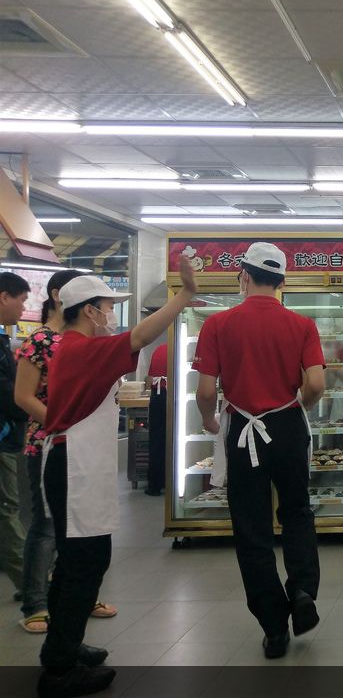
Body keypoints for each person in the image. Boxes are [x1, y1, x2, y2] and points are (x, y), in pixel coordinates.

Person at [36, 258, 196, 698]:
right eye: (107, 307)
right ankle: (60, 670)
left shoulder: (73, 347)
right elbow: (141, 336)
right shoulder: (83, 349)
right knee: (85, 563)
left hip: (73, 463)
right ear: (89, 311)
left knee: (74, 562)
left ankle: (61, 647)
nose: (111, 315)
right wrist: (184, 295)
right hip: (76, 466)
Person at [193, 242, 325, 660]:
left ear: (244, 276)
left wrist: (210, 421)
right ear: (282, 281)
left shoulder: (218, 323)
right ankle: (302, 591)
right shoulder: (301, 324)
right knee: (297, 512)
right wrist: (298, 407)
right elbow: (316, 384)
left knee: (252, 528)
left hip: (243, 429)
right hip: (287, 426)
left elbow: (206, 391)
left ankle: (274, 627)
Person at [15, 270, 118, 634]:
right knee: (47, 528)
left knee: (80, 536)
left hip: (82, 448)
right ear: (61, 295)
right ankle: (36, 603)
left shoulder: (87, 341)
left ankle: (76, 604)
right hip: (49, 444)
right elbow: (23, 396)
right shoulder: (41, 340)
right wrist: (62, 423)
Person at [0, 272, 30, 604]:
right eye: (21, 300)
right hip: (3, 438)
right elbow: (7, 393)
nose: (23, 308)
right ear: (4, 297)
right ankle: (29, 581)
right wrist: (30, 407)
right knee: (7, 509)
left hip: (8, 435)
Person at [144, 342, 168, 496]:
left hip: (157, 396)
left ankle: (154, 484)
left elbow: (148, 380)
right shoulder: (177, 350)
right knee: (170, 440)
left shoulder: (159, 349)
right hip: (170, 394)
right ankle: (168, 480)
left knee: (156, 440)